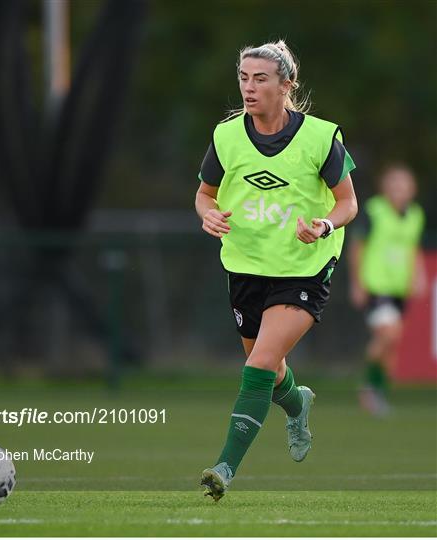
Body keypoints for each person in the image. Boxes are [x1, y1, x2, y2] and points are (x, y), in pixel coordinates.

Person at [194, 39, 358, 501]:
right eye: (244, 77)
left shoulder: (321, 137)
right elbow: (205, 194)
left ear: (286, 85)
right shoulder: (226, 136)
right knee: (269, 369)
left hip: (304, 268)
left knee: (259, 362)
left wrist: (325, 224)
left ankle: (224, 466)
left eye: (260, 78)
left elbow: (348, 202)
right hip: (246, 265)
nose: (249, 87)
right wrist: (206, 212)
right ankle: (297, 402)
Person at [349, 164, 426, 416]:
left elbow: (413, 249)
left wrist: (419, 275)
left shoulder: (415, 215)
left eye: (403, 184)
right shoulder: (374, 211)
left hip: (398, 288)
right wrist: (358, 283)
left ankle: (378, 390)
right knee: (388, 335)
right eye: (393, 183)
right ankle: (368, 389)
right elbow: (357, 247)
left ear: (412, 189)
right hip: (376, 286)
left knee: (392, 344)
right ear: (384, 187)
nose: (398, 189)